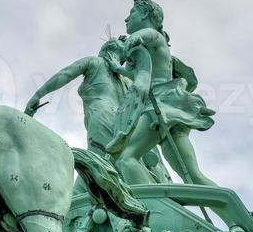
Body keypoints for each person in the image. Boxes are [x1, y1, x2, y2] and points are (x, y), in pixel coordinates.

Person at [25, 37, 169, 186]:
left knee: (99, 165)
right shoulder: (126, 78)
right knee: (119, 164)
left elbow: (65, 74)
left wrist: (38, 95)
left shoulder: (97, 63)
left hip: (103, 116)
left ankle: (85, 201)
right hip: (126, 122)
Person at [108, 0, 218, 187]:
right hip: (170, 108)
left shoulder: (154, 36)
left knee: (126, 158)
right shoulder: (156, 49)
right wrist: (119, 69)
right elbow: (143, 75)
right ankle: (243, 217)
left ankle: (149, 208)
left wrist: (129, 42)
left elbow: (145, 36)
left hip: (158, 107)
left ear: (144, 14)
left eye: (132, 12)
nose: (127, 18)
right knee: (192, 175)